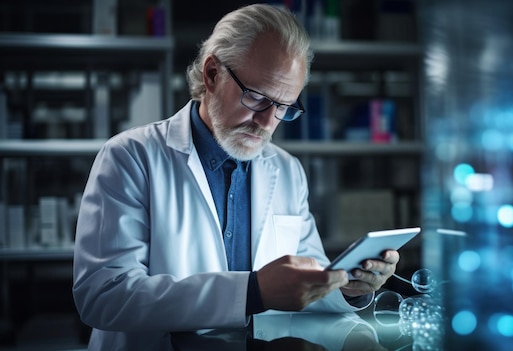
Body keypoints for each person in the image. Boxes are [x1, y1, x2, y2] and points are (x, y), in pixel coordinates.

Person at [73, 3, 400, 350]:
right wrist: (252, 293)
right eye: (257, 98)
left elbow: (305, 283)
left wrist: (345, 286)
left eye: (284, 107)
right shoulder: (130, 157)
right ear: (212, 73)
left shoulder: (288, 170)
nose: (268, 122)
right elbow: (103, 296)